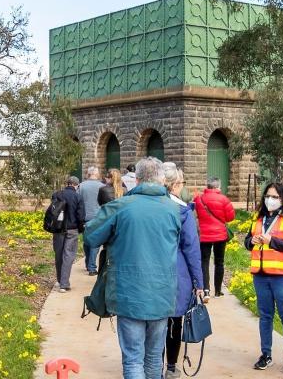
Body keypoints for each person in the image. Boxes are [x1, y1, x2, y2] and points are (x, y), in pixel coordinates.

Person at [85, 157, 200, 379]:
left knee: (133, 359)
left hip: (129, 294)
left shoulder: (120, 207)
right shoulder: (175, 210)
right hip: (163, 294)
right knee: (154, 358)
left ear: (136, 179)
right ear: (160, 179)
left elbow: (91, 236)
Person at [244, 181, 283, 373]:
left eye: (275, 197)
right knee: (265, 316)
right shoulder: (258, 217)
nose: (270, 200)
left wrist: (273, 241)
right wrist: (251, 241)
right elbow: (247, 241)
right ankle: (266, 354)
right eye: (268, 196)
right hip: (260, 275)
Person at [162, 165, 204, 379]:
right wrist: (199, 283)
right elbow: (192, 249)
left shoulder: (152, 206)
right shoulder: (183, 211)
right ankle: (170, 367)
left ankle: (152, 365)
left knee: (154, 322)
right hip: (177, 274)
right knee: (174, 322)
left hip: (152, 274)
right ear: (176, 185)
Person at [193, 176, 236, 297]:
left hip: (204, 235)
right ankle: (217, 291)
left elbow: (196, 214)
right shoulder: (224, 199)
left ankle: (206, 290)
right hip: (220, 235)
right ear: (218, 186)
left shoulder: (199, 199)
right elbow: (230, 217)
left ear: (207, 186)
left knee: (204, 262)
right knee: (219, 262)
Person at [49, 175, 84, 293]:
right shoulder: (78, 197)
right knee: (68, 255)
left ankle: (60, 280)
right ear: (76, 185)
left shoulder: (56, 194)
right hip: (72, 229)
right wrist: (80, 229)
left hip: (58, 229)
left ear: (67, 183)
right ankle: (64, 283)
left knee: (58, 254)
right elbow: (81, 216)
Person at [77, 168, 106, 274]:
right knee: (95, 242)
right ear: (97, 174)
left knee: (87, 240)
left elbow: (77, 201)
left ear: (88, 174)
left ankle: (88, 263)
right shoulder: (102, 186)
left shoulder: (81, 186)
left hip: (84, 217)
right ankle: (92, 267)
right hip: (98, 217)